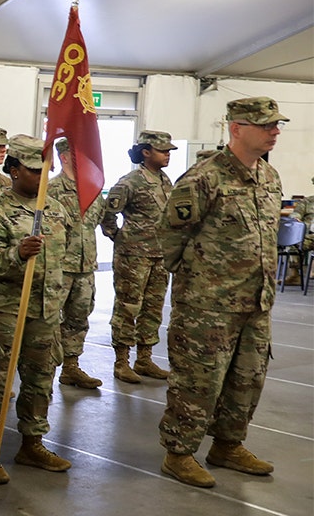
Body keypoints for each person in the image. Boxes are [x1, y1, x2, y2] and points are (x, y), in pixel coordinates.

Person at [157, 97, 285, 488]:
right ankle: (179, 453)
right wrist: (200, 281)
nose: (274, 131)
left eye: (277, 125)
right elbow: (169, 238)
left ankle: (228, 445)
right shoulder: (204, 178)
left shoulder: (269, 176)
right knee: (199, 381)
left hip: (256, 301)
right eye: (265, 125)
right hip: (207, 306)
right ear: (236, 128)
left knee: (247, 379)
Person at [0, 135, 72, 484]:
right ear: (13, 171)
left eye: (45, 172)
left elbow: (62, 259)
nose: (41, 178)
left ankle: (32, 442)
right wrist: (17, 254)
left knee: (41, 379)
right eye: (32, 171)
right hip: (4, 310)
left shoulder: (55, 208)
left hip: (45, 310)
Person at [102, 130, 177, 383]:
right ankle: (121, 361)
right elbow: (108, 215)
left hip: (159, 255)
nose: (168, 155)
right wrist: (121, 238)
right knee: (128, 308)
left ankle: (144, 359)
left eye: (169, 151)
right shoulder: (130, 182)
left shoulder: (166, 181)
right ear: (146, 152)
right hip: (133, 256)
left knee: (153, 308)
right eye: (163, 150)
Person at [48, 138, 106, 389]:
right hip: (59, 266)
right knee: (49, 320)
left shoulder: (91, 189)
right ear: (64, 157)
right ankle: (44, 369)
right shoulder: (51, 190)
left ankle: (71, 367)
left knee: (79, 317)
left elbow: (100, 218)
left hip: (85, 266)